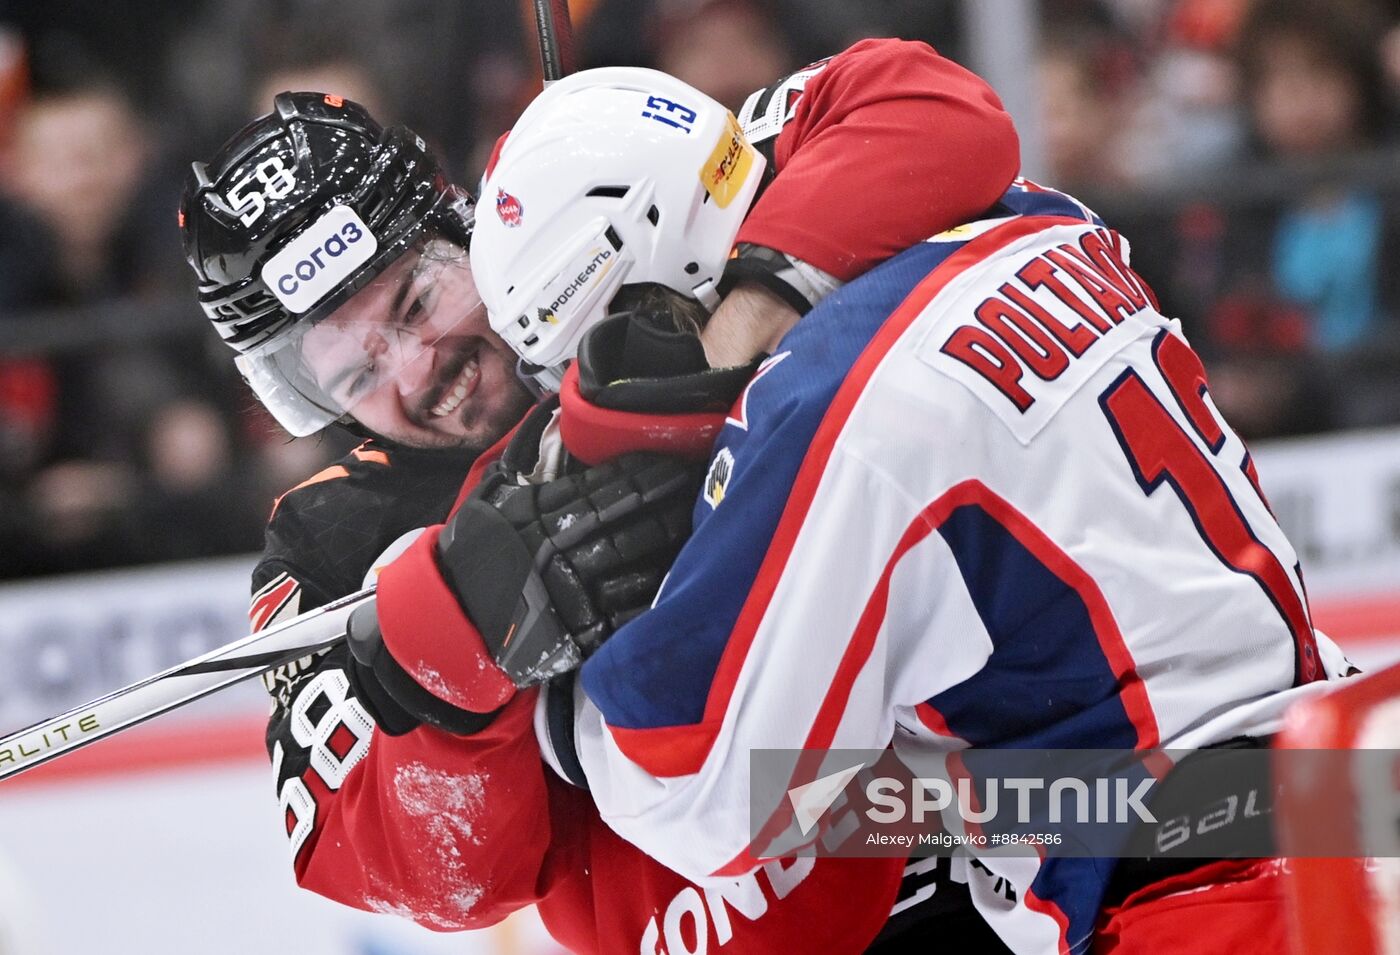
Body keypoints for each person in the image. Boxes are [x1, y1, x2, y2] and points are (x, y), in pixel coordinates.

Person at [367, 58, 1362, 955]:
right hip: (1339, 796)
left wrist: (530, 660)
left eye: (582, 365)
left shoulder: (818, 409)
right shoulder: (1023, 210)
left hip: (1212, 897)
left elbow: (698, 795)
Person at [180, 37, 1022, 953]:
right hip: (764, 907)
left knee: (1186, 817)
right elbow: (423, 874)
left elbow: (937, 109)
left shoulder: (602, 199)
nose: (420, 369)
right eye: (355, 373)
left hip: (1000, 802)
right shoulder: (333, 539)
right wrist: (459, 653)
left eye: (417, 303)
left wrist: (741, 323)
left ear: (462, 228)